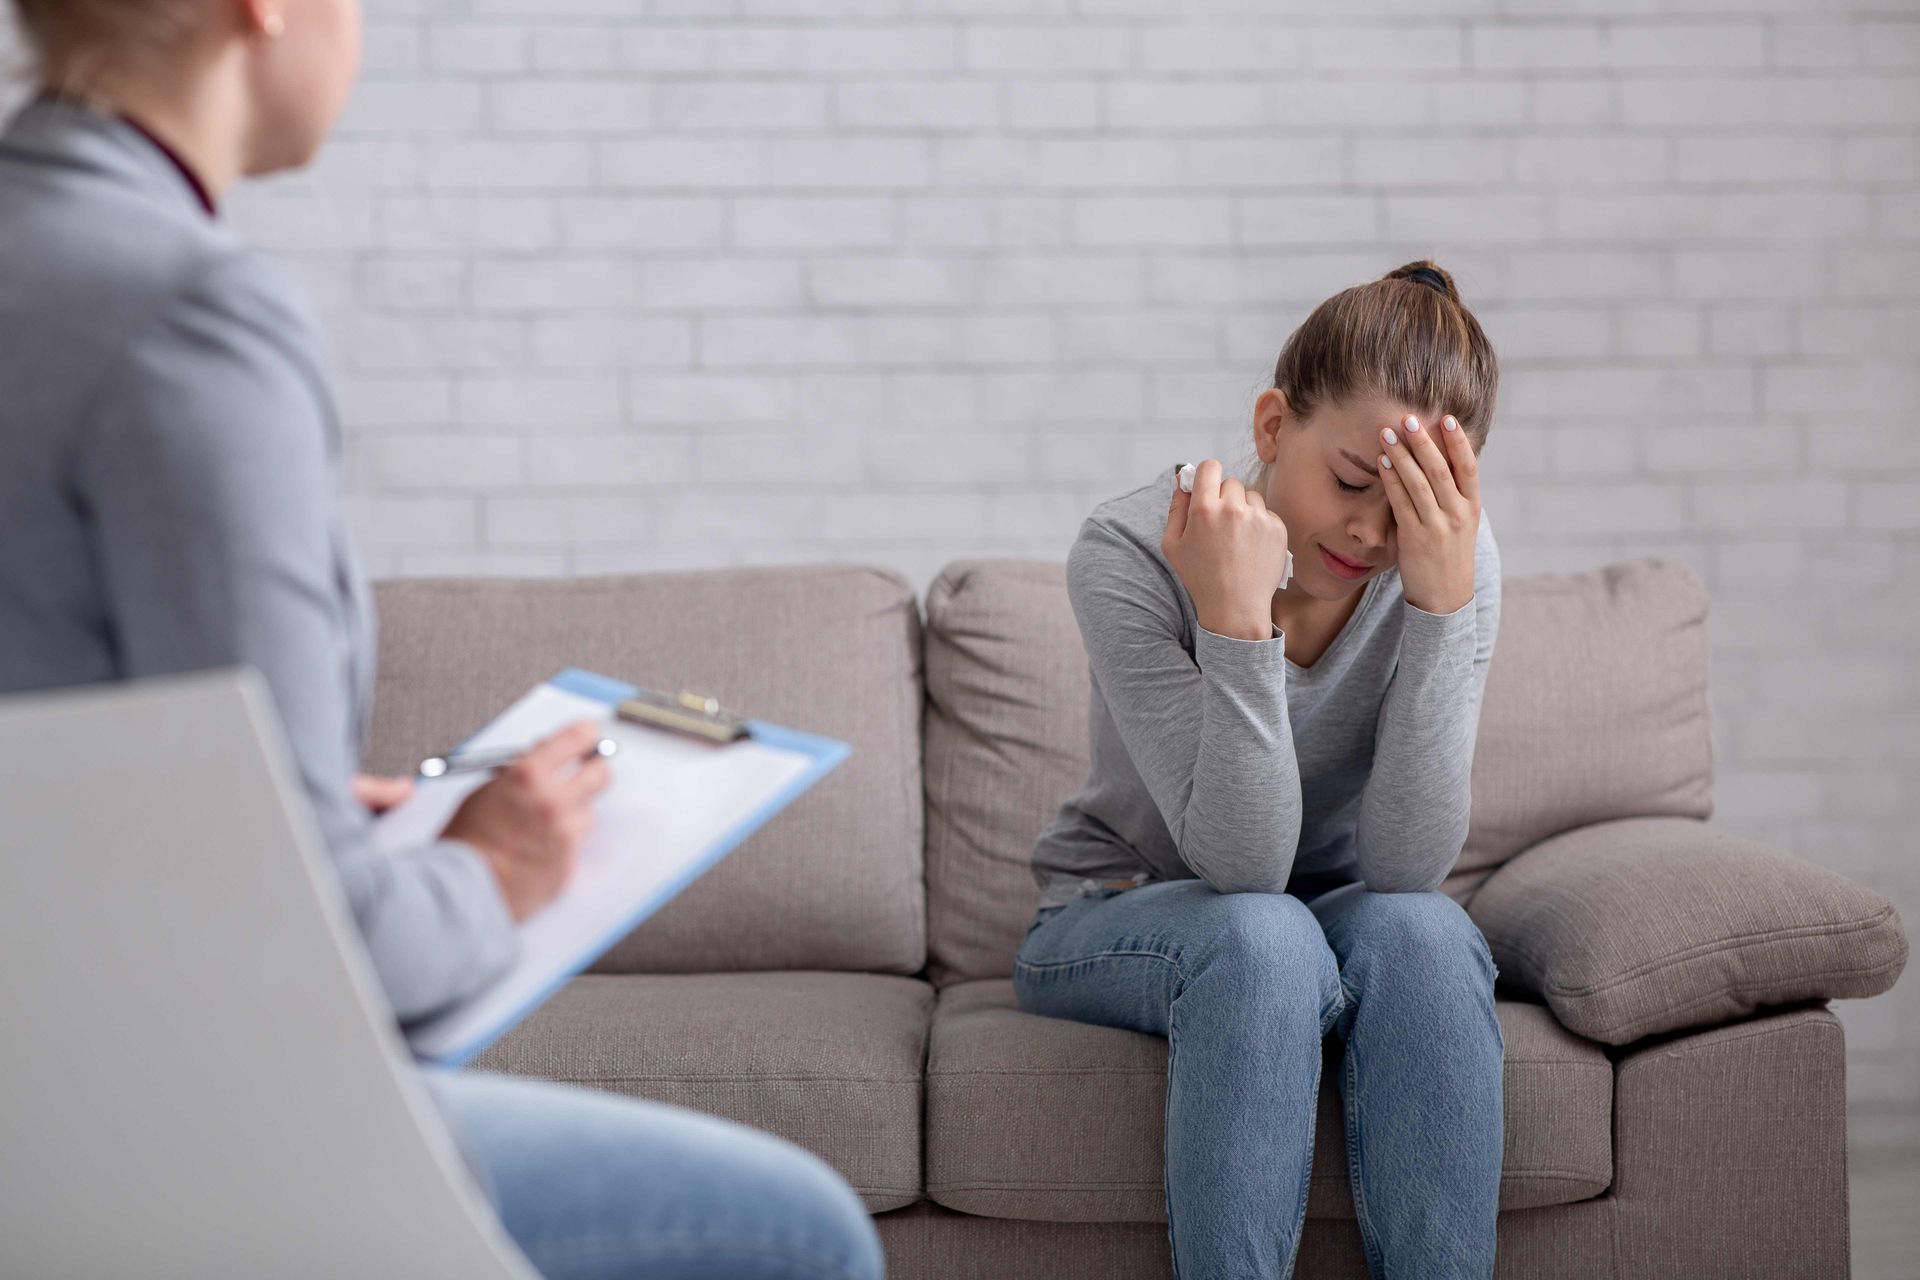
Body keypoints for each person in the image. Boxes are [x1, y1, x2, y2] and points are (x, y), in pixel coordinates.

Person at [0, 3, 884, 1278]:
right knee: (800, 1233)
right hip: (127, 1137)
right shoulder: (190, 320)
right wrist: (493, 869)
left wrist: (255, 818)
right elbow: (319, 955)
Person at [1017, 261, 1506, 1278]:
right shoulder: (1129, 549)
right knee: (1264, 932)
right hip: (1124, 902)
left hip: (1334, 900)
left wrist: (1441, 607)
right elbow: (1243, 863)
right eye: (1353, 483)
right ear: (1274, 424)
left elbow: (1409, 864)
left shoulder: (1448, 557)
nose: (1373, 532)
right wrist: (1237, 623)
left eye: (1411, 503)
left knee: (1427, 930)